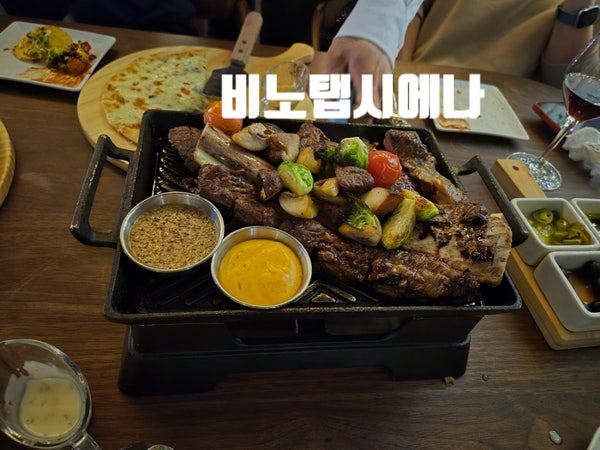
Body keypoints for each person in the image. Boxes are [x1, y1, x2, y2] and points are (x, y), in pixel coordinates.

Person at [399, 0, 600, 88]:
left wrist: (578, 6)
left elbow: (562, 83)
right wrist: (403, 69)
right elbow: (409, 7)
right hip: (422, 77)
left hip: (504, 111)